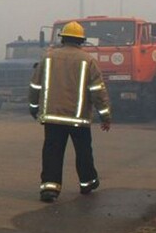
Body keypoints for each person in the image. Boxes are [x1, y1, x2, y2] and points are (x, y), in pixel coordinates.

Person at [28, 21, 112, 203]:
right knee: (83, 152)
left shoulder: (48, 58)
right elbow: (97, 91)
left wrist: (33, 106)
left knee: (52, 151)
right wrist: (105, 115)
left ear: (63, 38)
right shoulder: (88, 61)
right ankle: (87, 182)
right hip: (78, 118)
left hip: (52, 117)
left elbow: (35, 84)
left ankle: (49, 188)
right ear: (81, 41)